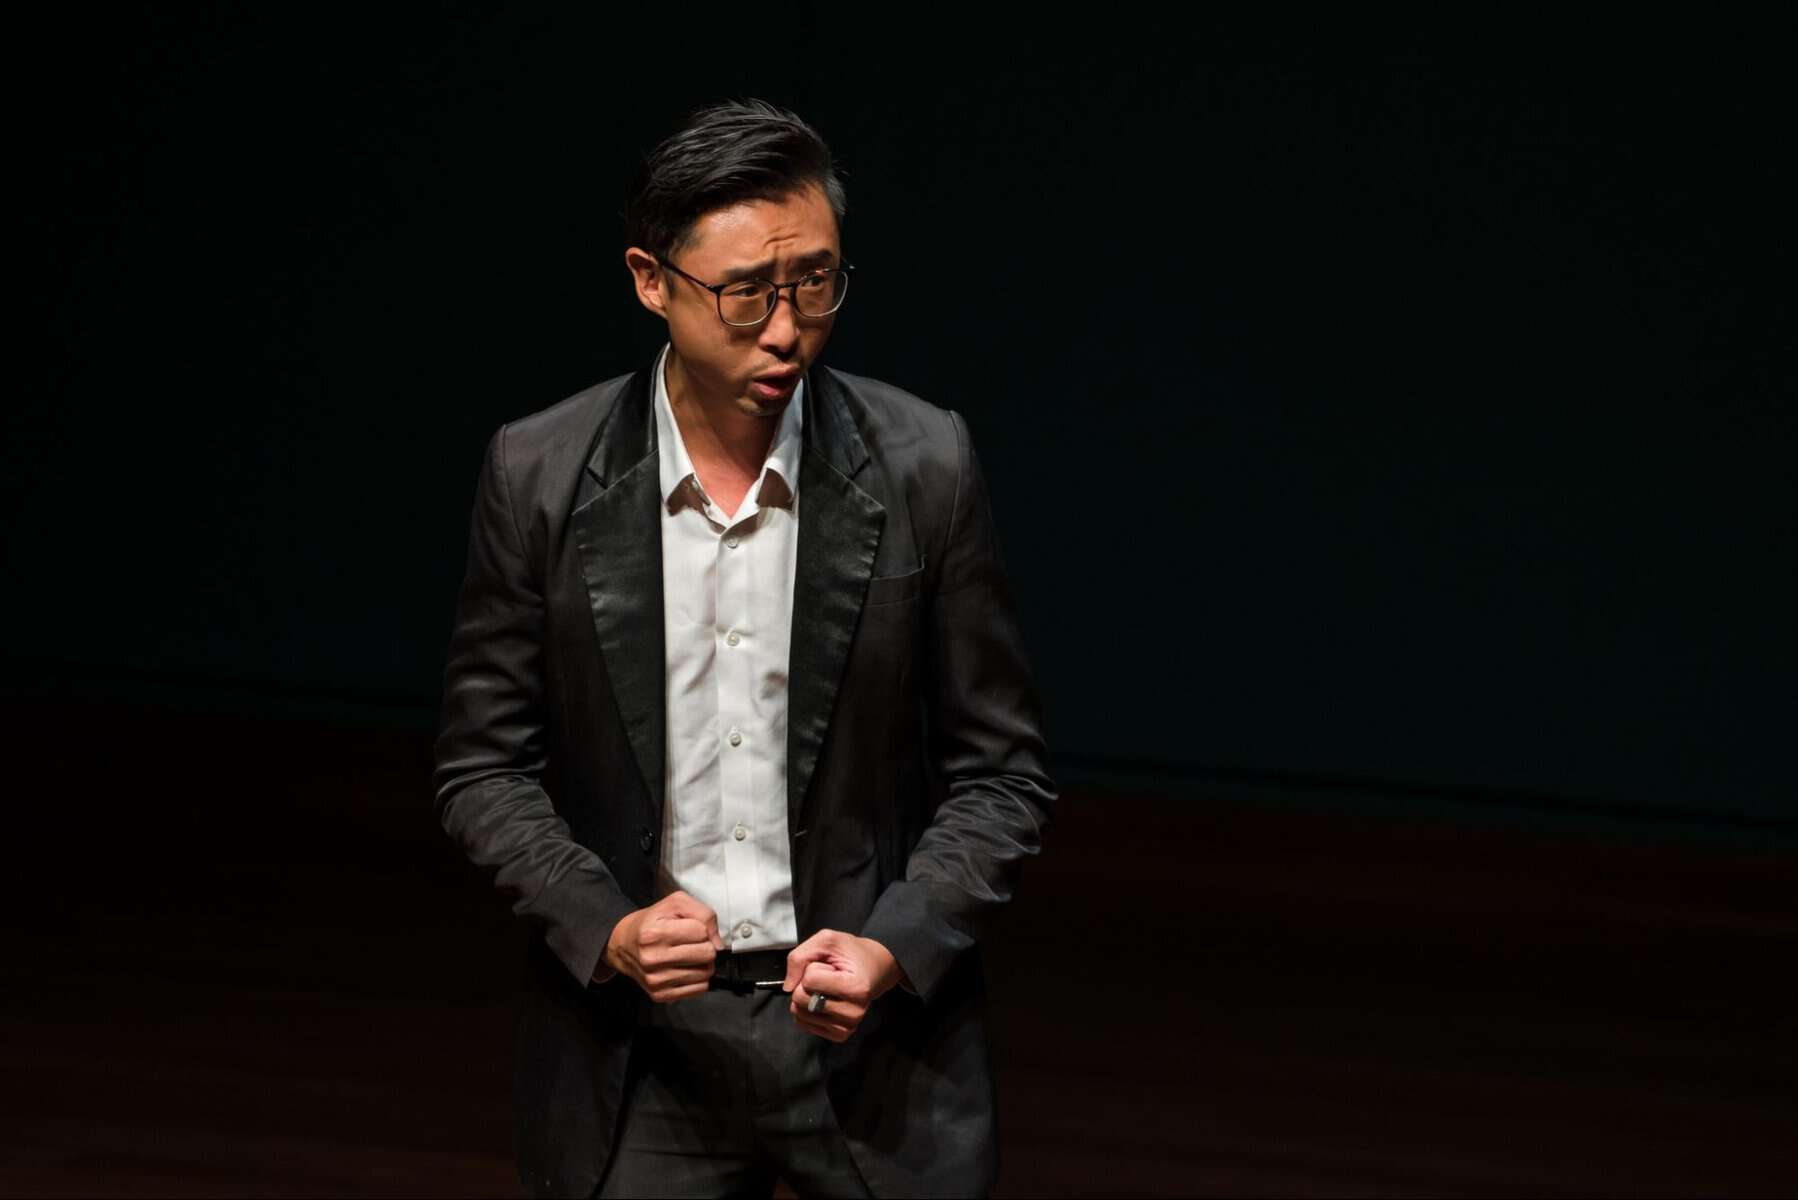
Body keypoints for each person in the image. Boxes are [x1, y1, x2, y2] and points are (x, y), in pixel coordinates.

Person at [432, 98, 1056, 1199]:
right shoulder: (537, 473)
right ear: (649, 280)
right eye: (745, 294)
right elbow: (482, 769)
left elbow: (999, 775)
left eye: (814, 282)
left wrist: (894, 944)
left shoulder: (925, 466)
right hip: (640, 1051)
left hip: (870, 1053)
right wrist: (607, 926)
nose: (784, 330)